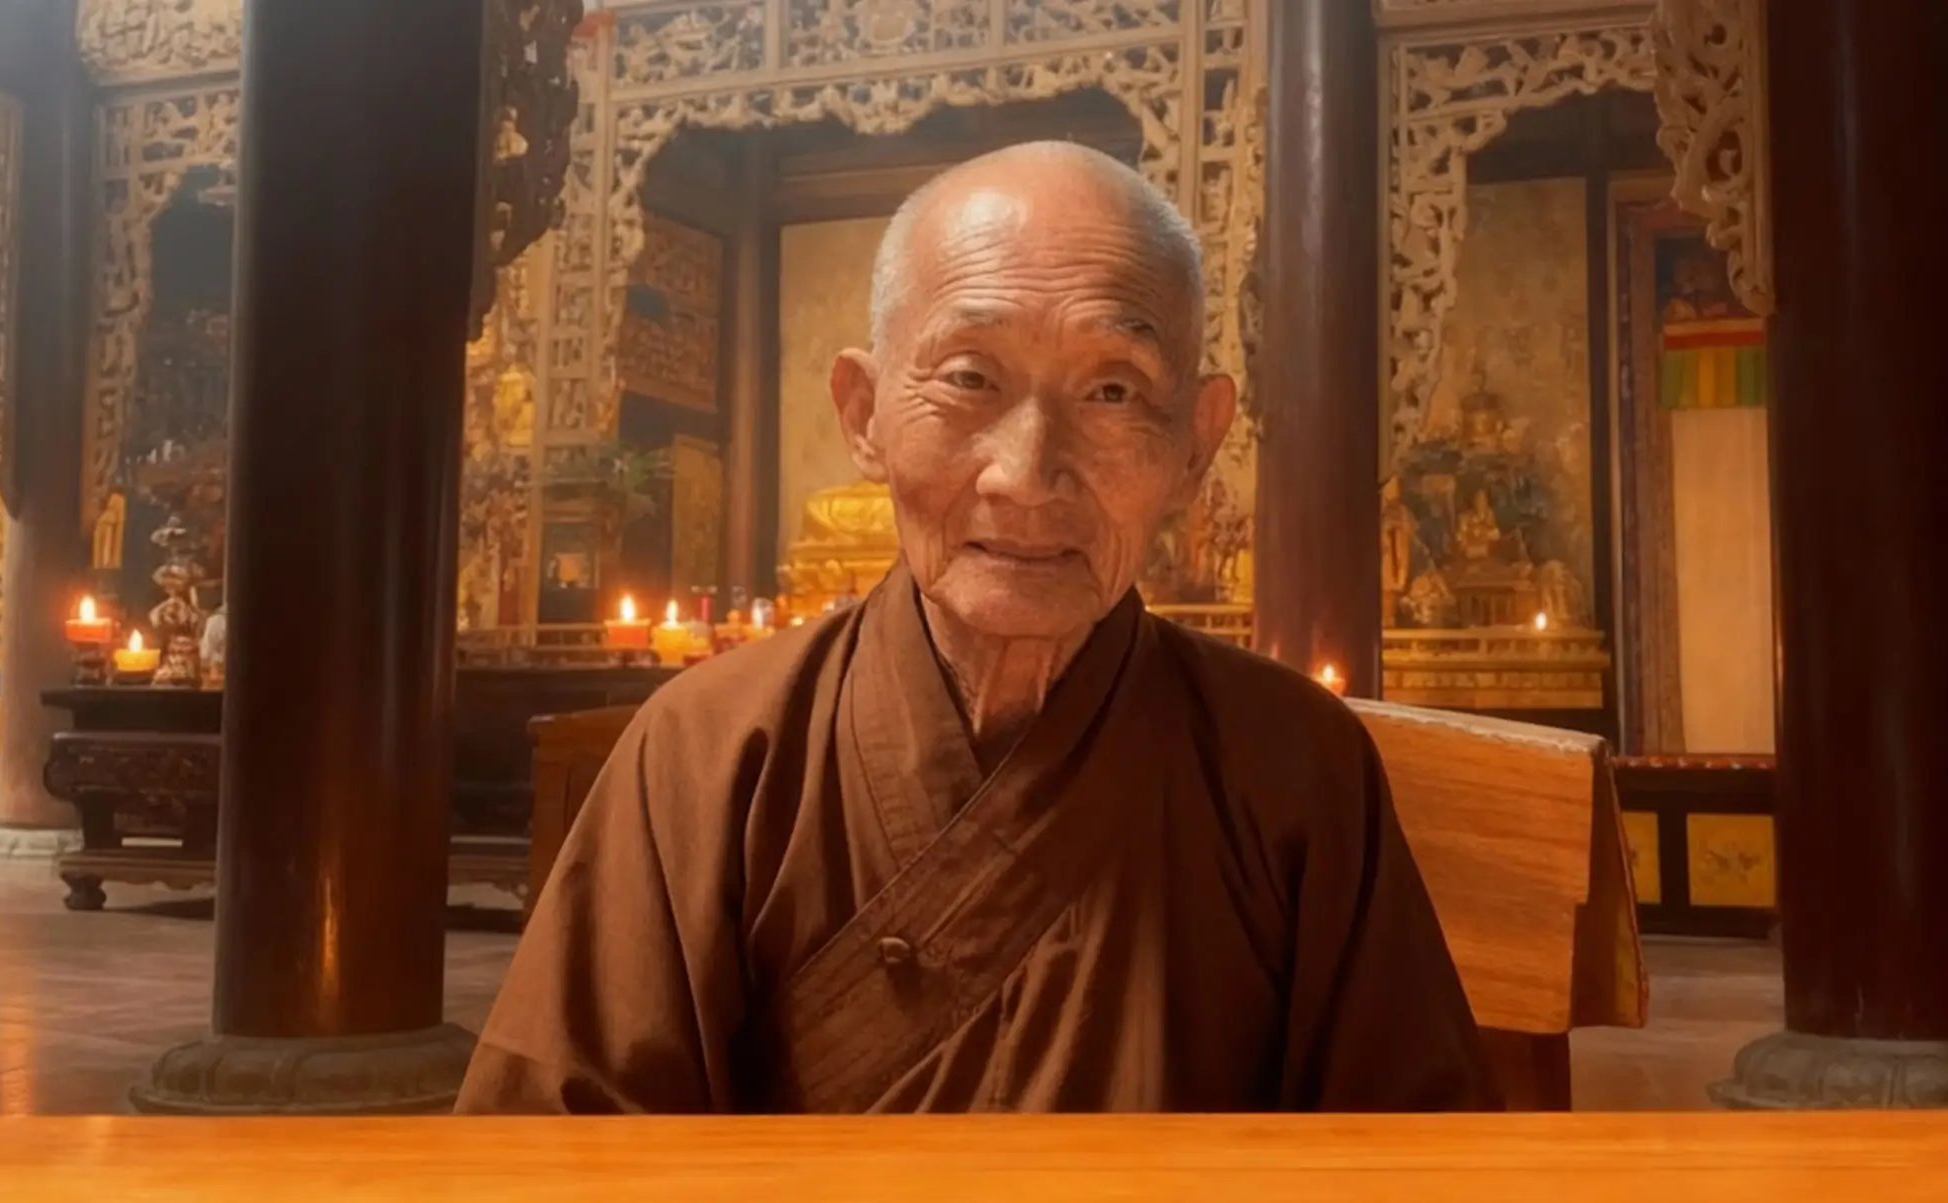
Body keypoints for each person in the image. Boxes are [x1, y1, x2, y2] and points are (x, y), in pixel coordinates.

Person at [457, 141, 1495, 1114]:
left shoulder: (1296, 770)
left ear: (1197, 442)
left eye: (1112, 390)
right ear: (863, 412)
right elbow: (555, 1153)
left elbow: (1415, 1156)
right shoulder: (705, 755)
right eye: (969, 378)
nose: (1027, 473)